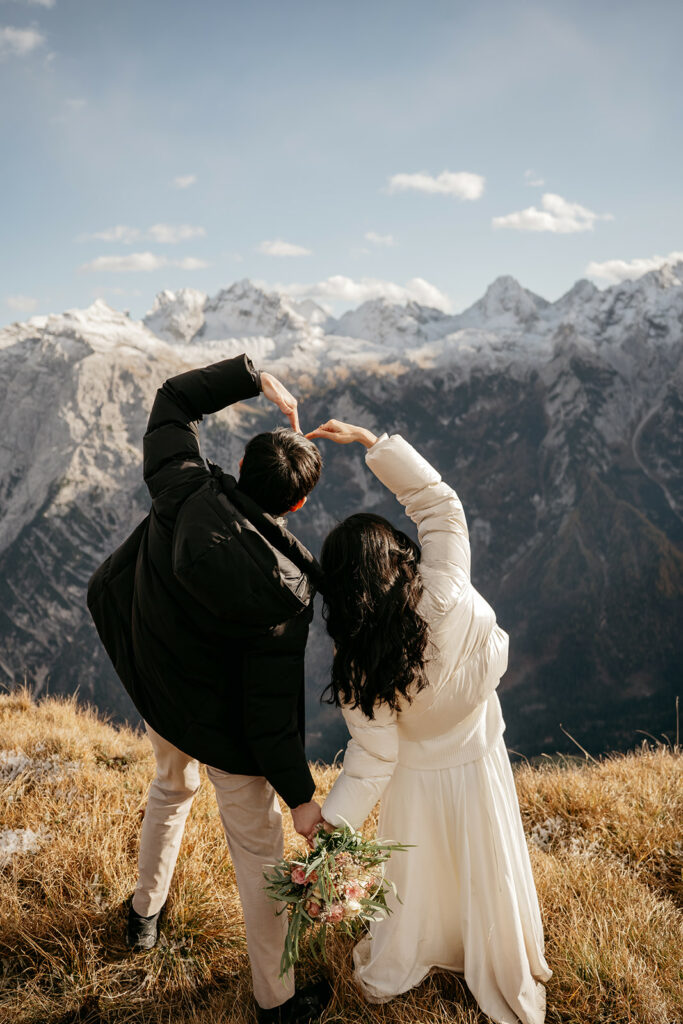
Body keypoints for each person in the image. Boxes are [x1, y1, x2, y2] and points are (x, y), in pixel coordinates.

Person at [88, 354, 330, 1024]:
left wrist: (252, 376)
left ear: (243, 467)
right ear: (297, 503)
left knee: (169, 789)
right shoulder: (285, 592)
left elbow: (171, 400)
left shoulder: (183, 486)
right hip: (220, 727)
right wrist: (300, 794)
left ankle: (143, 915)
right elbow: (269, 716)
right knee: (258, 851)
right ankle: (274, 1002)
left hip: (158, 684)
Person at [304, 418, 552, 1024]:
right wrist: (374, 445)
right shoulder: (445, 581)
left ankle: (419, 950)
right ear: (396, 556)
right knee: (484, 860)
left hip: (415, 777)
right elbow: (439, 504)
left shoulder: (359, 662)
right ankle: (491, 952)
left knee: (420, 876)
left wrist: (330, 824)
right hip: (477, 757)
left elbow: (373, 759)